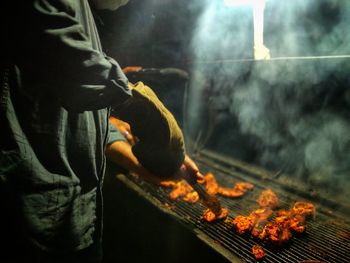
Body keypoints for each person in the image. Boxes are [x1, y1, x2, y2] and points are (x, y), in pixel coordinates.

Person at [0, 0, 202, 262]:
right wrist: (139, 107)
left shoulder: (86, 11)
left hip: (76, 217)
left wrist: (148, 162)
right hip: (31, 217)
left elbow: (92, 119)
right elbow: (68, 59)